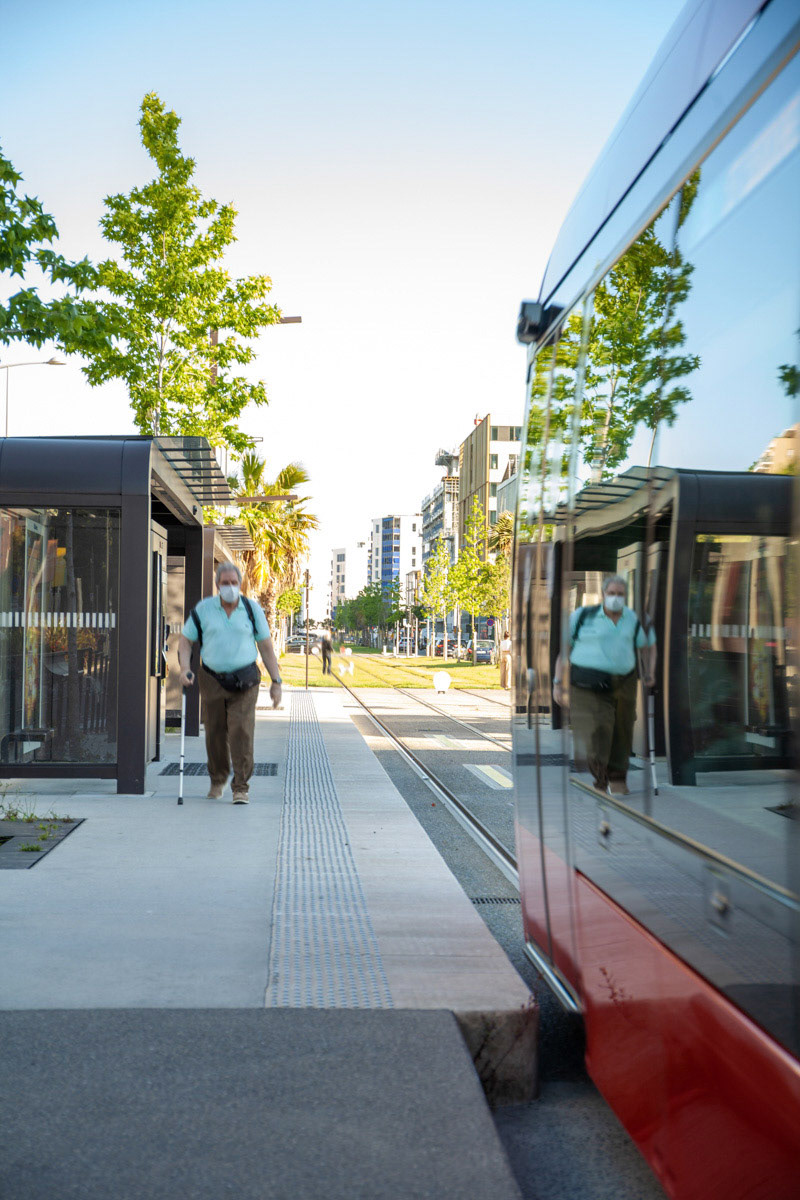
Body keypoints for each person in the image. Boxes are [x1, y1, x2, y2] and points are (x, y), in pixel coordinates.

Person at [177, 562, 282, 805]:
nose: (230, 587)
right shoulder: (204, 609)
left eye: (234, 583)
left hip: (245, 680)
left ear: (240, 584)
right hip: (211, 678)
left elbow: (266, 647)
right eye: (225, 583)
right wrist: (184, 669)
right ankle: (218, 779)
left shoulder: (251, 609)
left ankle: (241, 787)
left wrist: (276, 681)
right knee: (214, 732)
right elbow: (185, 641)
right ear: (217, 585)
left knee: (241, 731)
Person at [552, 575, 656, 795]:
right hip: (586, 685)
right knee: (595, 735)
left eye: (620, 594)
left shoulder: (633, 619)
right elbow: (564, 652)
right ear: (603, 594)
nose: (616, 598)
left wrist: (649, 671)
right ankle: (601, 779)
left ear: (625, 596)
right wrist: (557, 683)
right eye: (612, 594)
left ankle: (616, 779)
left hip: (623, 683)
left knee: (621, 732)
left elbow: (649, 646)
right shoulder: (582, 616)